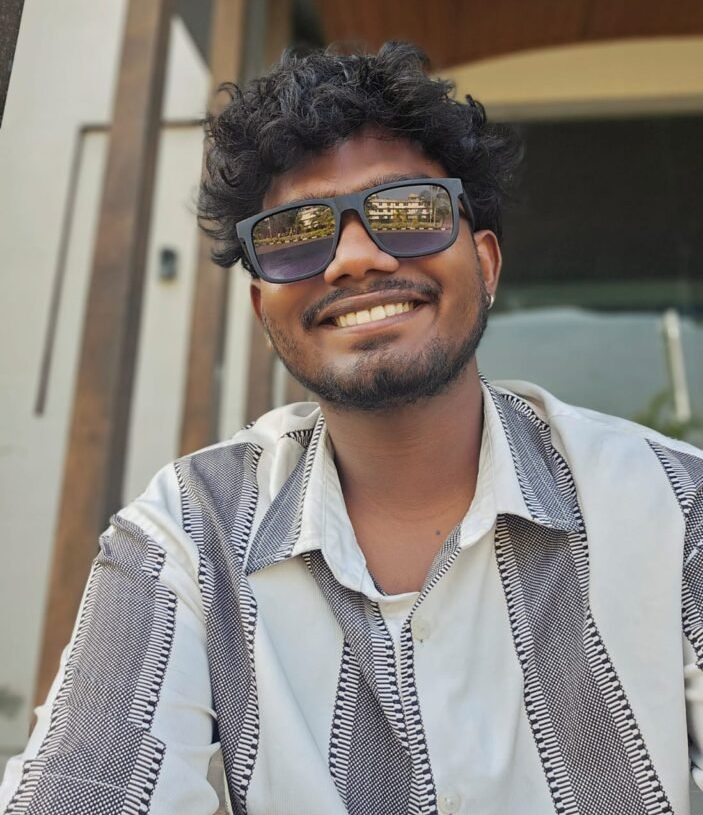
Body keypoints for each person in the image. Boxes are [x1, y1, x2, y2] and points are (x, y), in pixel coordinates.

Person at [2, 41, 703, 815]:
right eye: (295, 232)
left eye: (407, 210)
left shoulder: (674, 507)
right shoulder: (189, 533)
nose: (354, 259)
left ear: (485, 264)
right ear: (262, 306)